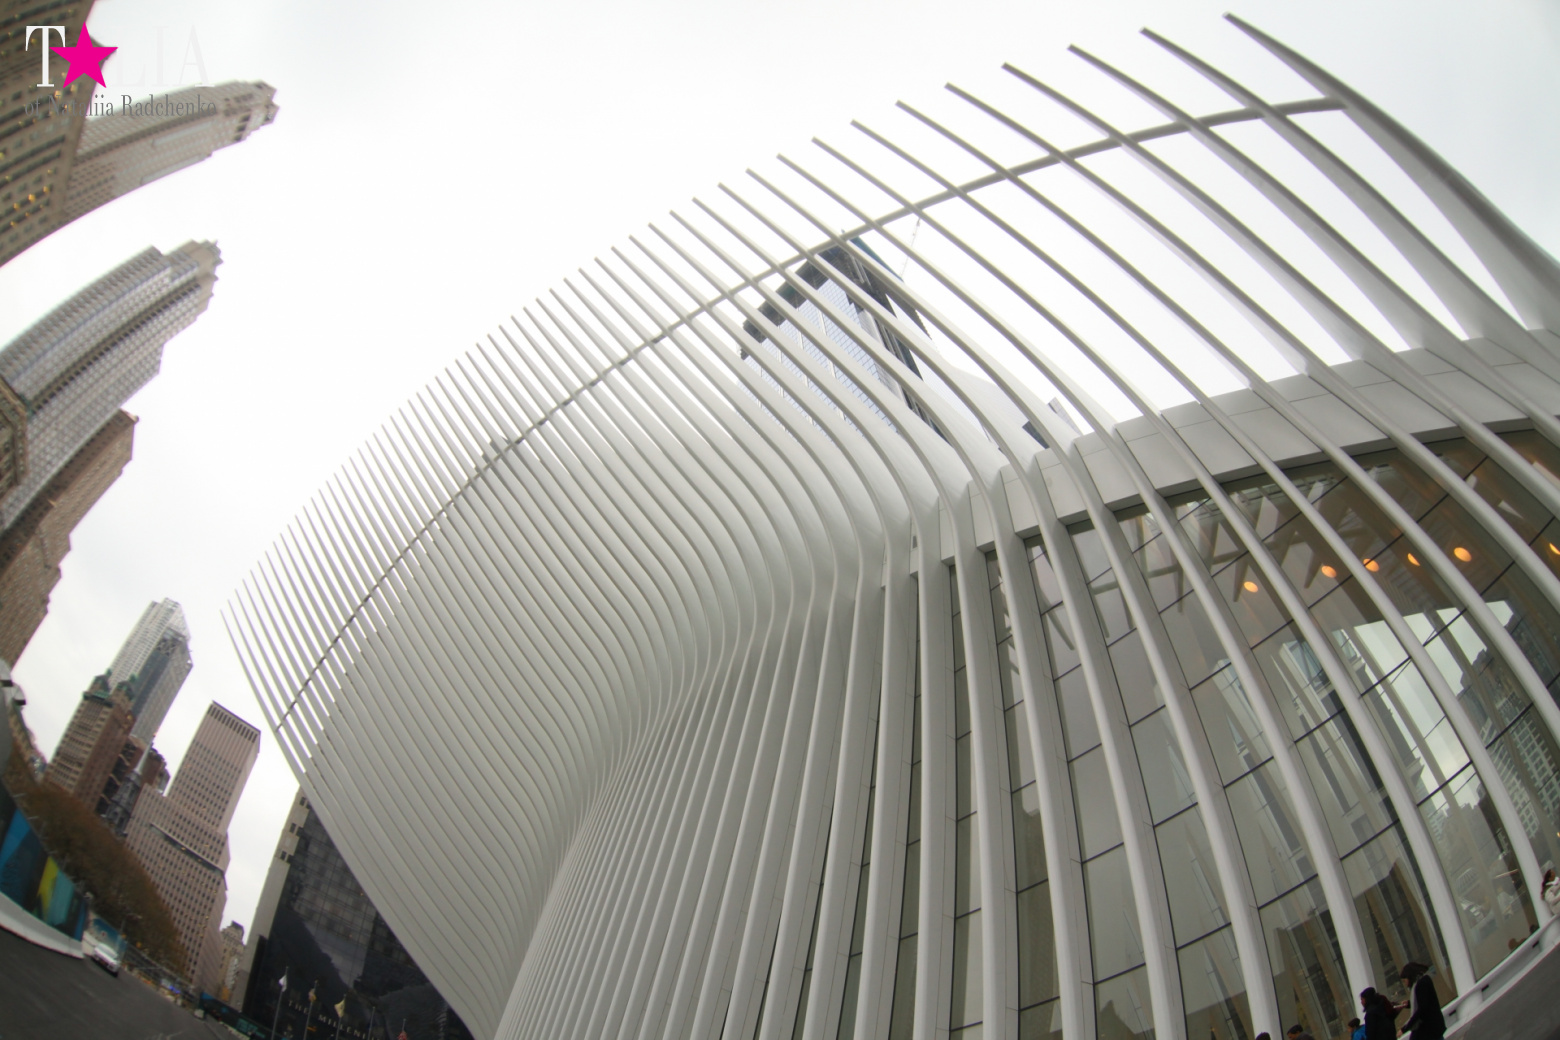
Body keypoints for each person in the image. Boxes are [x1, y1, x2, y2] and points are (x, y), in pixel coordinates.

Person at [1398, 962, 1445, 1040]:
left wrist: (1405, 1028)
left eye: (1404, 981)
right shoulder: (1424, 980)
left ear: (1409, 977)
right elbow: (1423, 1001)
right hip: (1434, 1026)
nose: (1405, 984)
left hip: (1429, 1028)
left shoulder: (1420, 985)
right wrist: (1409, 1004)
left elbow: (1422, 1008)